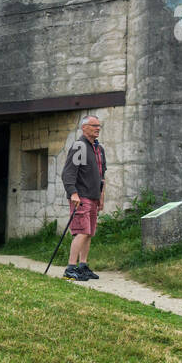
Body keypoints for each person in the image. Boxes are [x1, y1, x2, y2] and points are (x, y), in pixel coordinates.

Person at [60, 115, 106, 281]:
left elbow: (102, 176)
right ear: (84, 127)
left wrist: (102, 197)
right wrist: (73, 193)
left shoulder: (99, 149)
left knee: (89, 233)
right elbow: (68, 173)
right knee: (82, 231)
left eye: (99, 125)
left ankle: (83, 266)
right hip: (81, 197)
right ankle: (70, 268)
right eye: (94, 125)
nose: (98, 128)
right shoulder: (79, 146)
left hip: (94, 197)